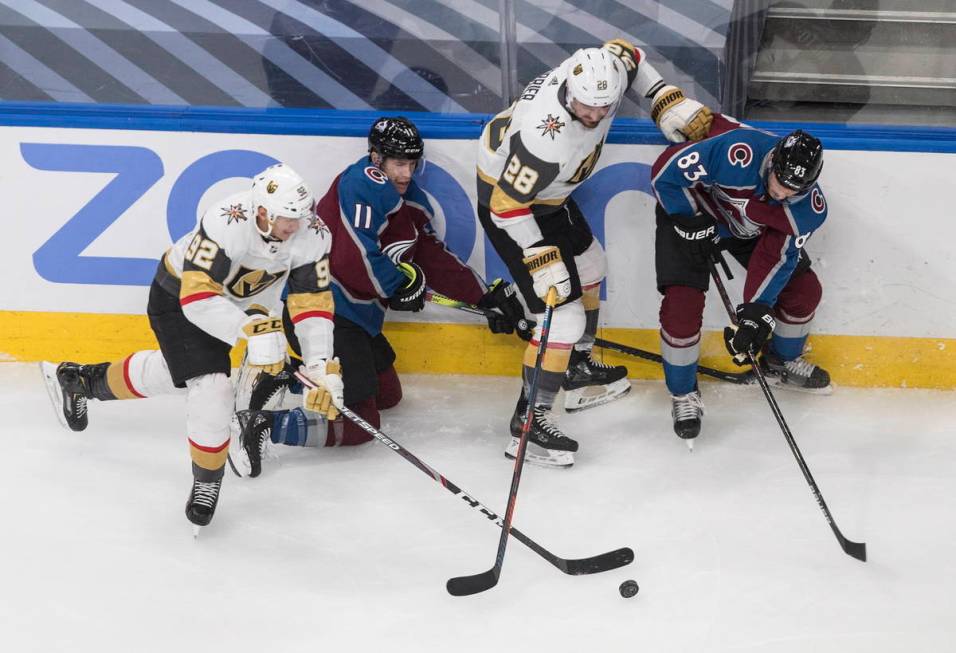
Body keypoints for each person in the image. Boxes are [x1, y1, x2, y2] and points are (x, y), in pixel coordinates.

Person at [40, 164, 343, 529]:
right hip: (180, 297)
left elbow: (312, 303)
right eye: (285, 219)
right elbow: (197, 297)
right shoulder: (226, 221)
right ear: (261, 211)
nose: (295, 227)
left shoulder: (313, 233)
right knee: (213, 387)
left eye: (300, 217)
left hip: (241, 306)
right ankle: (207, 482)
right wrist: (248, 329)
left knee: (178, 373)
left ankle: (80, 382)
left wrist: (319, 366)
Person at [230, 116, 527, 478]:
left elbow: (431, 253)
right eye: (398, 163)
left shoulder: (407, 199)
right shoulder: (360, 183)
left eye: (412, 164)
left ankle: (286, 378)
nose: (406, 173)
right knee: (361, 423)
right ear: (376, 158)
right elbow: (351, 256)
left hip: (357, 318)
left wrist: (483, 297)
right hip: (324, 316)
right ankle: (262, 425)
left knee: (388, 395)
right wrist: (398, 286)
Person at [476, 39, 714, 467]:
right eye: (585, 107)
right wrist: (538, 254)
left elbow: (631, 53)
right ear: (569, 89)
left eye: (601, 109)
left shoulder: (603, 74)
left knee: (591, 267)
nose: (592, 116)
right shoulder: (544, 139)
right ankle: (528, 426)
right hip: (513, 208)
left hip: (550, 199)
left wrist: (664, 99)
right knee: (560, 316)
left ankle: (576, 369)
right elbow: (504, 206)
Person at [650, 114, 832, 444]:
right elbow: (666, 172)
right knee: (682, 309)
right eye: (780, 180)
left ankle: (781, 360)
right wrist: (688, 218)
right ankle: (682, 394)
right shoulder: (738, 151)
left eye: (795, 188)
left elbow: (775, 257)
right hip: (694, 213)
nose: (782, 192)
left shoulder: (807, 209)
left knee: (804, 291)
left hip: (746, 230)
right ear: (774, 158)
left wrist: (755, 313)